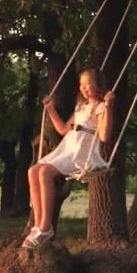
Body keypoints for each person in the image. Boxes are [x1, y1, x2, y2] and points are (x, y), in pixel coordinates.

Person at [22, 68, 115, 249]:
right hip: (68, 147)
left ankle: (46, 226)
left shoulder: (101, 107)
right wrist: (50, 109)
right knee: (33, 171)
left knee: (44, 174)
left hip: (82, 152)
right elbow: (63, 130)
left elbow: (104, 136)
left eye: (88, 84)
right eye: (81, 85)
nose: (84, 88)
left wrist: (110, 107)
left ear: (98, 85)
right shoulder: (80, 107)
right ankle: (38, 224)